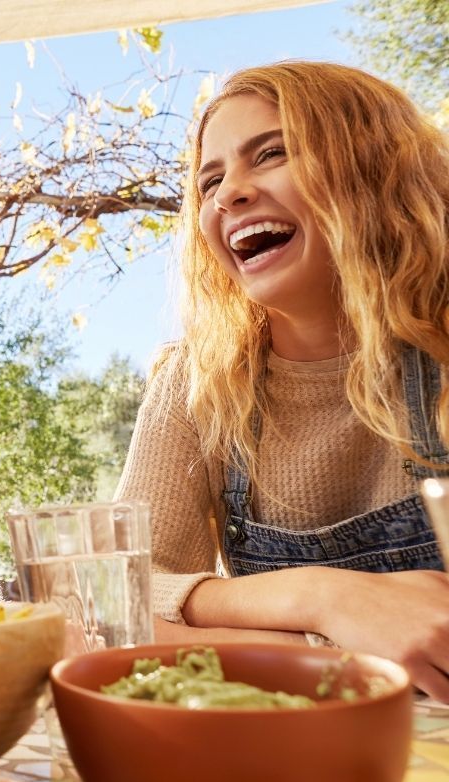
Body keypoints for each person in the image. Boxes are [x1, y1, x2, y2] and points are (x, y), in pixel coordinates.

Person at [115, 61, 449, 700]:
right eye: (209, 181)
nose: (228, 195)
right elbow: (115, 596)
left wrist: (235, 629)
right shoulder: (197, 383)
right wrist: (323, 597)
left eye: (271, 153)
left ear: (376, 167)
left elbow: (154, 624)